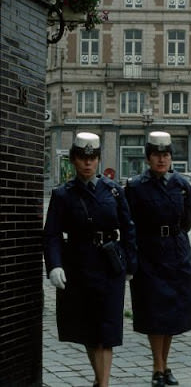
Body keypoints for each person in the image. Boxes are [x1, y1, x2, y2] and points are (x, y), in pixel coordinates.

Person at [43, 132, 137, 387]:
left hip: (109, 266)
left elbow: (128, 229)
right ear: (74, 160)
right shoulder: (63, 195)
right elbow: (51, 234)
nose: (88, 163)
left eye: (93, 158)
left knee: (106, 329)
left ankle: (102, 384)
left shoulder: (114, 192)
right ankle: (99, 380)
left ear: (98, 160)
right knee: (87, 329)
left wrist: (130, 264)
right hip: (78, 265)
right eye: (82, 158)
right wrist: (55, 265)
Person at [125, 131, 191, 387]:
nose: (161, 160)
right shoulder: (135, 186)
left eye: (165, 155)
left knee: (173, 313)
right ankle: (157, 367)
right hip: (149, 253)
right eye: (156, 155)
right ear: (148, 158)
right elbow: (129, 223)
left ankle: (165, 366)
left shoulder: (181, 185)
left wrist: (175, 240)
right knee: (154, 312)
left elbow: (187, 220)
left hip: (176, 252)